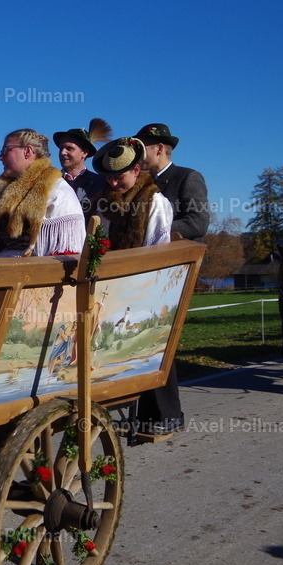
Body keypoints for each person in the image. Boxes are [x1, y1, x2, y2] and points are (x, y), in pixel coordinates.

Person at [92, 137, 180, 434]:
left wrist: (139, 286)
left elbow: (158, 248)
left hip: (146, 283)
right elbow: (97, 241)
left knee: (150, 341)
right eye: (109, 177)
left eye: (120, 177)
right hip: (110, 282)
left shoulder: (154, 201)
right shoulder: (105, 203)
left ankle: (165, 413)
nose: (114, 183)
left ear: (137, 170)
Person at [0, 129, 85, 257]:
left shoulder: (57, 192)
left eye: (6, 150)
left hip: (36, 271)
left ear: (28, 151)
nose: (0, 157)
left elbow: (66, 254)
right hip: (1, 267)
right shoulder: (3, 190)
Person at [134, 123, 209, 240]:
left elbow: (198, 223)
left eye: (142, 148)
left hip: (181, 255)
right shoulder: (140, 182)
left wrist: (150, 229)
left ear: (159, 149)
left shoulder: (188, 177)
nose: (137, 155)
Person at [53, 118, 111, 212]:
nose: (63, 152)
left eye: (69, 148)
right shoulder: (51, 181)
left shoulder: (101, 184)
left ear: (84, 153)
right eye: (61, 148)